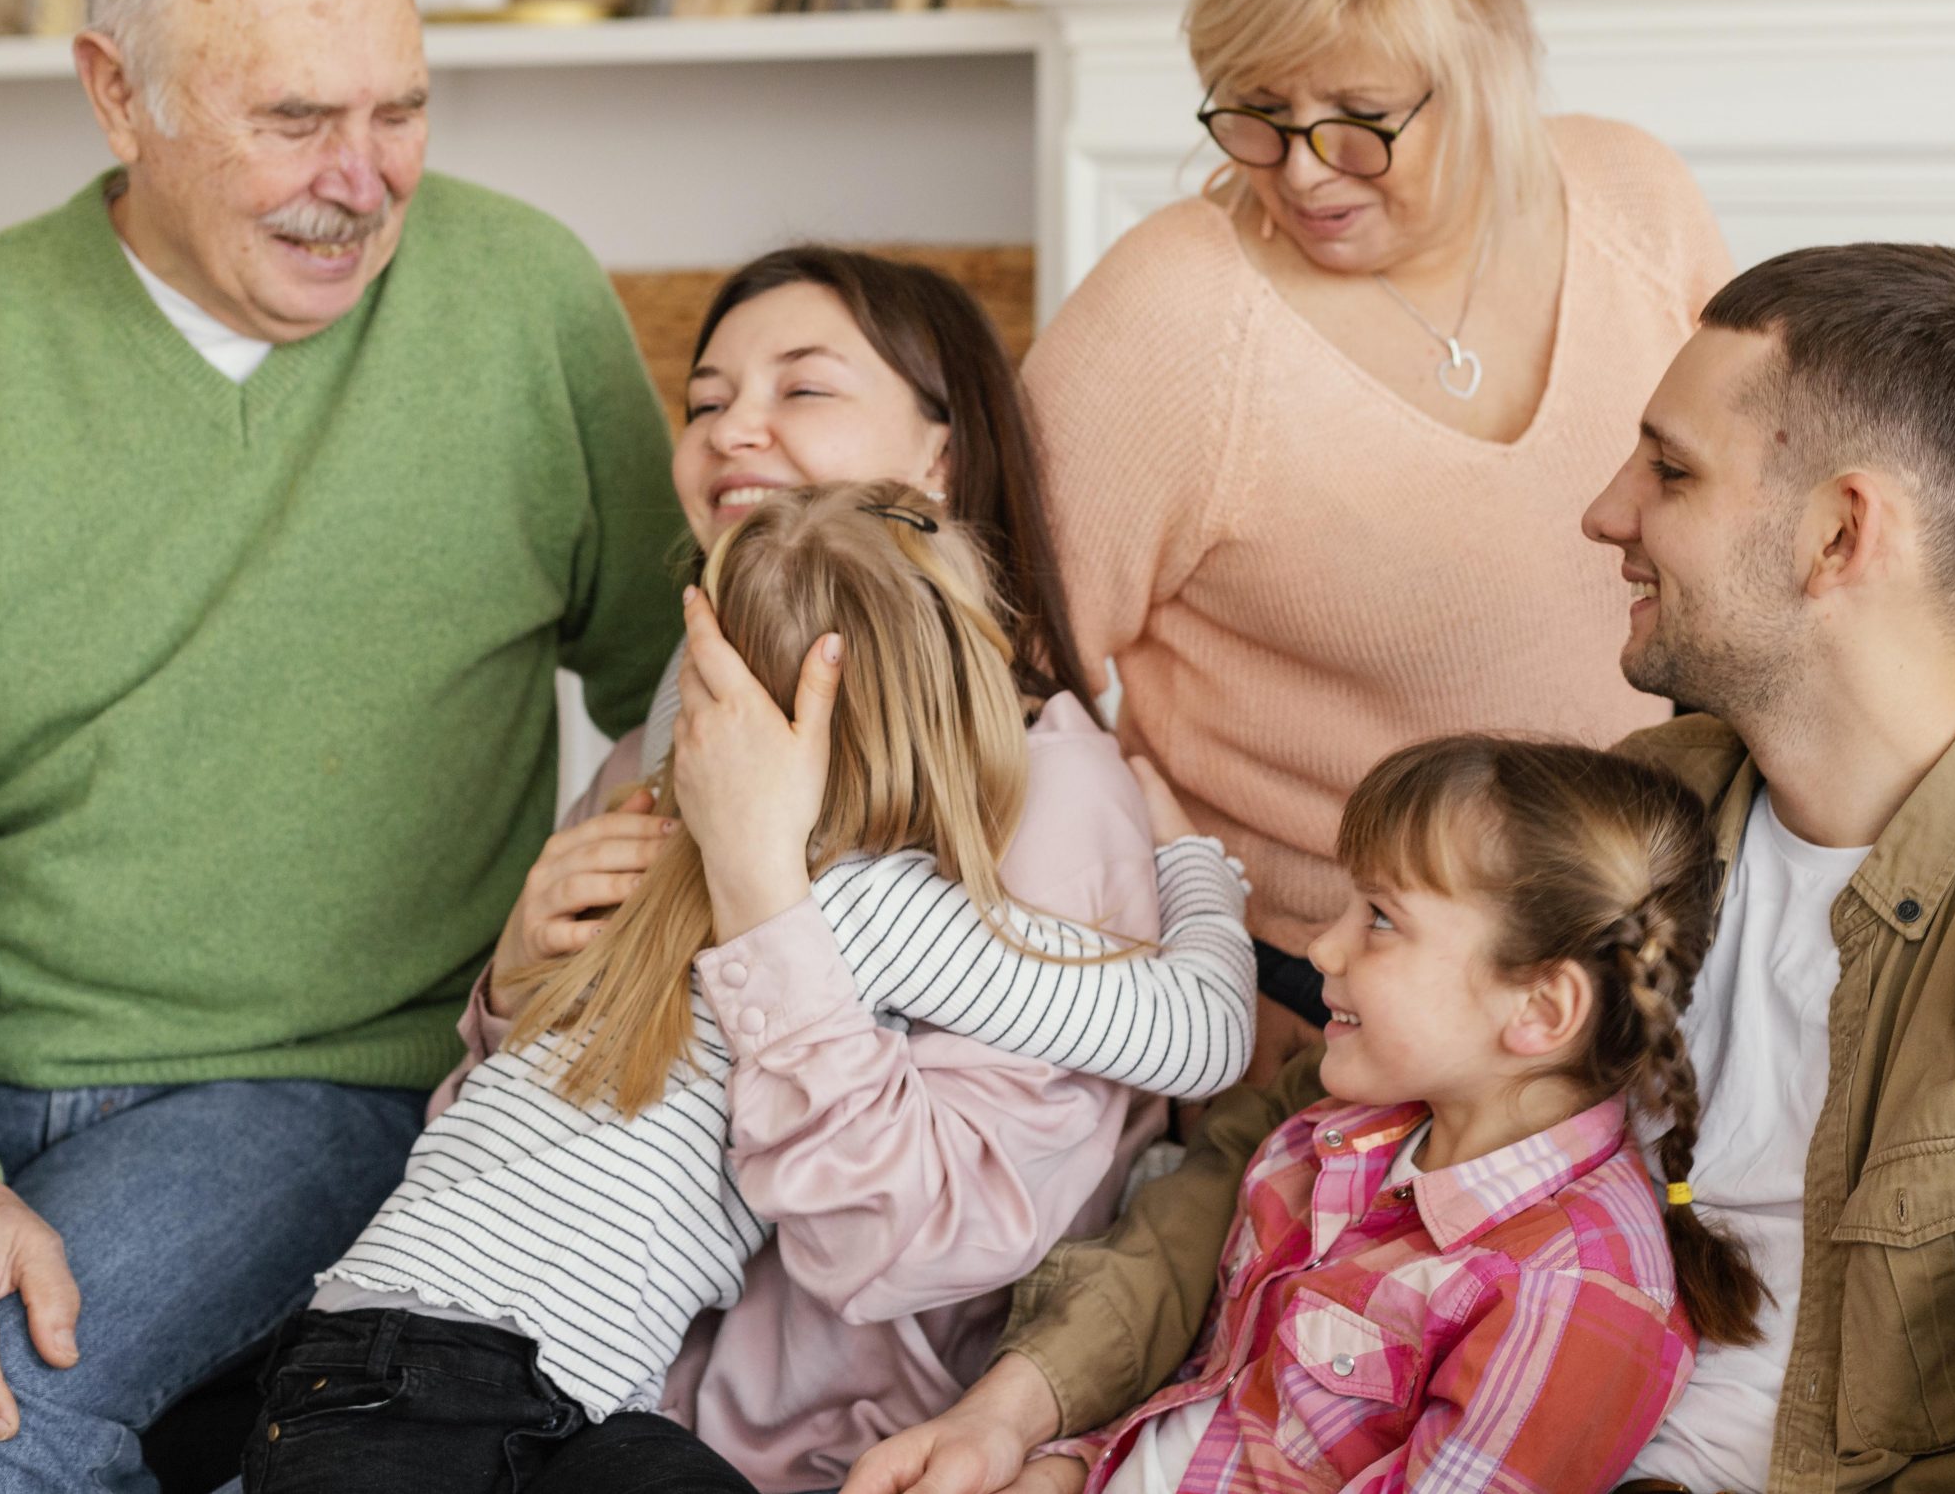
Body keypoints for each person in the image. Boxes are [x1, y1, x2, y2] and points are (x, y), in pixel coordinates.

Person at [849, 242, 1955, 1494]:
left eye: (1668, 467)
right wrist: (1019, 1403)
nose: (1605, 511)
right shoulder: (1643, 806)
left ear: (1842, 531)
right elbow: (1275, 1147)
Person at [0, 0, 686, 1494]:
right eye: (298, 119)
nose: (364, 180)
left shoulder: (526, 302)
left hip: (310, 1081)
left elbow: (676, 677)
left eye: (403, 111)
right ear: (119, 97)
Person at [243, 482, 1256, 1494]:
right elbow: (1202, 1035)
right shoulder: (871, 907)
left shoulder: (648, 860)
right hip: (453, 1383)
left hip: (458, 1382)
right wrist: (1192, 862)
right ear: (957, 699)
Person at [445, 246, 1206, 1494]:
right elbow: (499, 1167)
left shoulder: (1047, 793)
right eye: (702, 402)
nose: (730, 429)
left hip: (819, 1461)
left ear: (940, 460)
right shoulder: (655, 748)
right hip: (558, 1407)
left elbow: (926, 1242)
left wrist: (762, 907)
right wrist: (516, 991)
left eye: (800, 390)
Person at [1022, 0, 1734, 1072]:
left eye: (1359, 116)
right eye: (1253, 109)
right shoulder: (1170, 320)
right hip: (1316, 1005)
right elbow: (997, 682)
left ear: (1491, 66)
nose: (1300, 172)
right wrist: (1184, 977)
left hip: (1623, 976)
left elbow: (1744, 551)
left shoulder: (1637, 206)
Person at [1035, 735, 1762, 1494]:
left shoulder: (1565, 1294)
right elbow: (1210, 1398)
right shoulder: (1338, 1133)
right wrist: (1065, 1466)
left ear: (1542, 1008)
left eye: (1380, 917)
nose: (1323, 946)